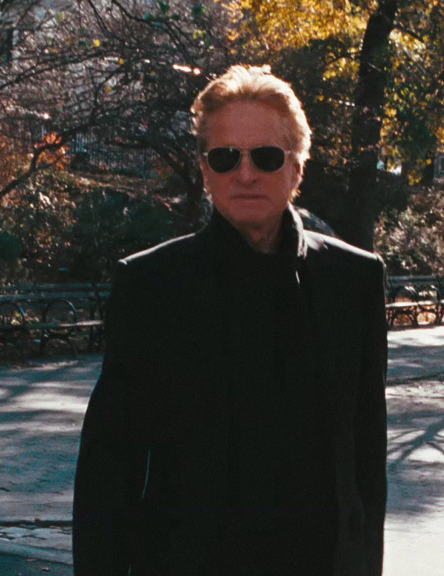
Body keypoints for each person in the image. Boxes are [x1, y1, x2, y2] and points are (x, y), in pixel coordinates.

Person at [73, 65, 388, 576]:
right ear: (205, 171)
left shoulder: (353, 281)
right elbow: (110, 467)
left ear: (297, 169)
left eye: (266, 157)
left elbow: (366, 461)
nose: (245, 175)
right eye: (225, 157)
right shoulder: (152, 285)